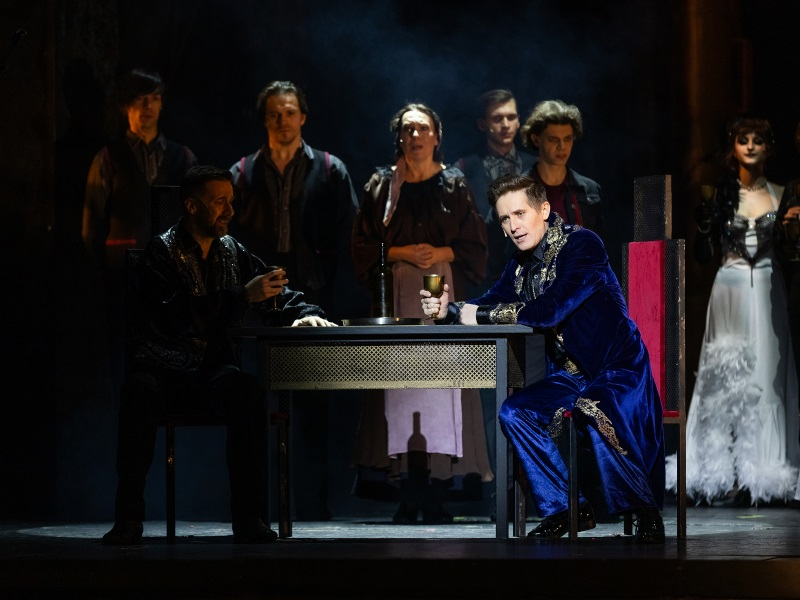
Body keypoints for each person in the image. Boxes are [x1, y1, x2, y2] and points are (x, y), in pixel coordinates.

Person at [420, 173, 666, 543]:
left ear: (545, 210)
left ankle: (644, 509)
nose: (513, 226)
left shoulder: (582, 244)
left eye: (520, 214)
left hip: (617, 367)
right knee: (513, 412)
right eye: (505, 219)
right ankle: (566, 510)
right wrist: (448, 309)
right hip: (571, 375)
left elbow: (550, 310)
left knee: (591, 407)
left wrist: (475, 314)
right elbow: (489, 301)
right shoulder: (520, 265)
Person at [101, 165, 337, 546]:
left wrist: (306, 313)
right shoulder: (161, 252)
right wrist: (243, 296)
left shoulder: (231, 249)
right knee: (138, 393)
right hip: (163, 368)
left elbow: (271, 288)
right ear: (192, 206)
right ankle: (128, 519)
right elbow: (178, 317)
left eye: (231, 201)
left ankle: (248, 520)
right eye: (219, 202)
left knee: (248, 393)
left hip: (211, 372)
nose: (230, 210)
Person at [351, 102, 490, 524]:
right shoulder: (383, 184)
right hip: (396, 299)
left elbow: (475, 246)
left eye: (423, 129)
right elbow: (361, 245)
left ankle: (437, 491)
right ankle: (406, 491)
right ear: (399, 137)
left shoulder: (454, 184)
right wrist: (402, 252)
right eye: (408, 130)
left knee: (442, 390)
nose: (415, 136)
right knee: (401, 390)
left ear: (437, 136)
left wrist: (441, 251)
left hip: (441, 295)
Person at [229, 80, 361, 521]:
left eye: (289, 112)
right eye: (273, 114)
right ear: (264, 119)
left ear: (303, 117)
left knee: (313, 406)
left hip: (313, 296)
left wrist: (332, 289)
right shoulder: (242, 171)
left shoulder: (329, 168)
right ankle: (259, 505)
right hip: (256, 298)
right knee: (255, 400)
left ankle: (313, 505)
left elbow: (350, 234)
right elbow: (229, 234)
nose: (282, 121)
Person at [667, 117, 799, 506]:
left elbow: (790, 254)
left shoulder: (782, 193)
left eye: (759, 140)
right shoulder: (720, 194)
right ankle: (719, 473)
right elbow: (702, 255)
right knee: (725, 375)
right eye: (744, 140)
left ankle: (768, 475)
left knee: (768, 375)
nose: (752, 146)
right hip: (730, 287)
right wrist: (705, 225)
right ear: (733, 147)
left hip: (769, 286)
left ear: (769, 148)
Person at [82, 68, 198, 401]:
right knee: (125, 357)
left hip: (174, 278)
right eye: (139, 99)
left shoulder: (183, 157)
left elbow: (199, 220)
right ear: (125, 107)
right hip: (123, 277)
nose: (147, 106)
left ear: (161, 105)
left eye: (154, 99)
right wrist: (110, 267)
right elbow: (91, 229)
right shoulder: (107, 159)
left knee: (172, 355)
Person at [454, 89, 536, 297]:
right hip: (481, 278)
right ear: (483, 124)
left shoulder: (536, 166)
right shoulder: (464, 168)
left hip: (530, 275)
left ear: (519, 121)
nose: (506, 124)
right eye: (498, 118)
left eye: (511, 117)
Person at [520, 99, 603, 235]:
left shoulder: (589, 190)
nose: (562, 146)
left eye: (567, 138)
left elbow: (598, 242)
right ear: (536, 140)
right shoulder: (516, 192)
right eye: (553, 139)